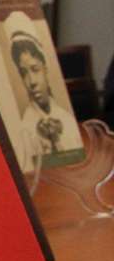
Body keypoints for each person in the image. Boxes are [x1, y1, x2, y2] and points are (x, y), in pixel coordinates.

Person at [8, 28, 83, 169]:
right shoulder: (25, 129)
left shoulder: (68, 120)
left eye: (35, 69)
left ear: (45, 69)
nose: (31, 81)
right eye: (24, 73)